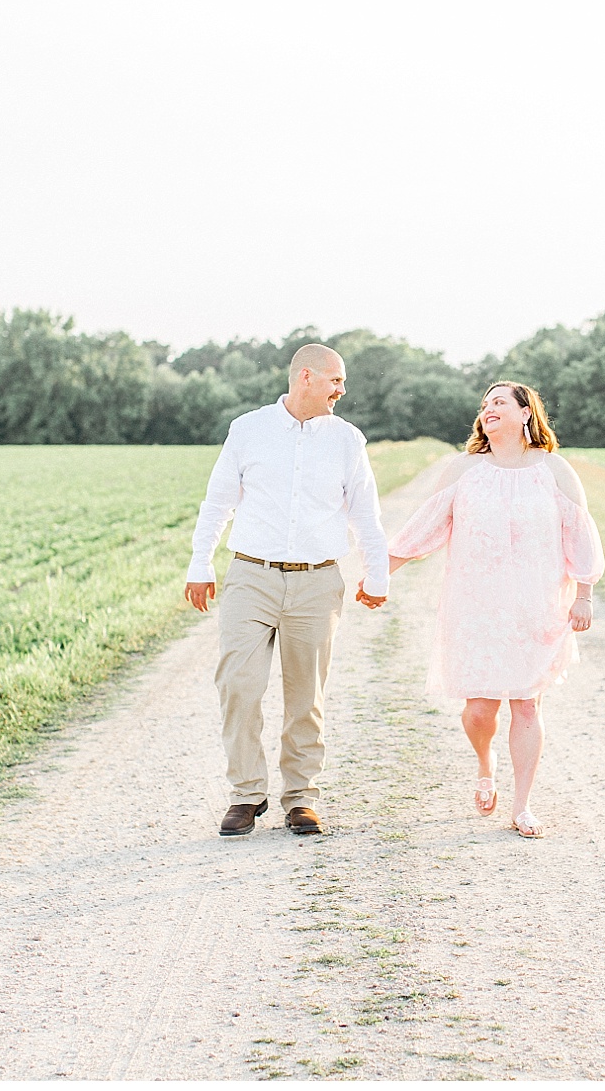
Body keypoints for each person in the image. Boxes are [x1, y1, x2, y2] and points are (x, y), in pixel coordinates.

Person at [184, 344, 389, 838]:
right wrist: (200, 563)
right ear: (306, 377)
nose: (342, 390)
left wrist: (376, 573)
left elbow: (365, 512)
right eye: (335, 380)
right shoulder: (248, 429)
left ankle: (301, 797)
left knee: (306, 695)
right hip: (250, 575)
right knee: (238, 683)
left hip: (317, 581)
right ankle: (246, 794)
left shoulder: (347, 440)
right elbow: (218, 502)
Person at [386, 381, 604, 838]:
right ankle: (486, 764)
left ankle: (522, 806)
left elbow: (578, 533)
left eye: (500, 402)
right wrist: (383, 569)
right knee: (480, 710)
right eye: (485, 405)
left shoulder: (555, 470)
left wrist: (584, 592)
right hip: (476, 606)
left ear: (527, 413)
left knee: (526, 705)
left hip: (536, 607)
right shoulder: (465, 469)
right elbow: (427, 526)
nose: (489, 410)